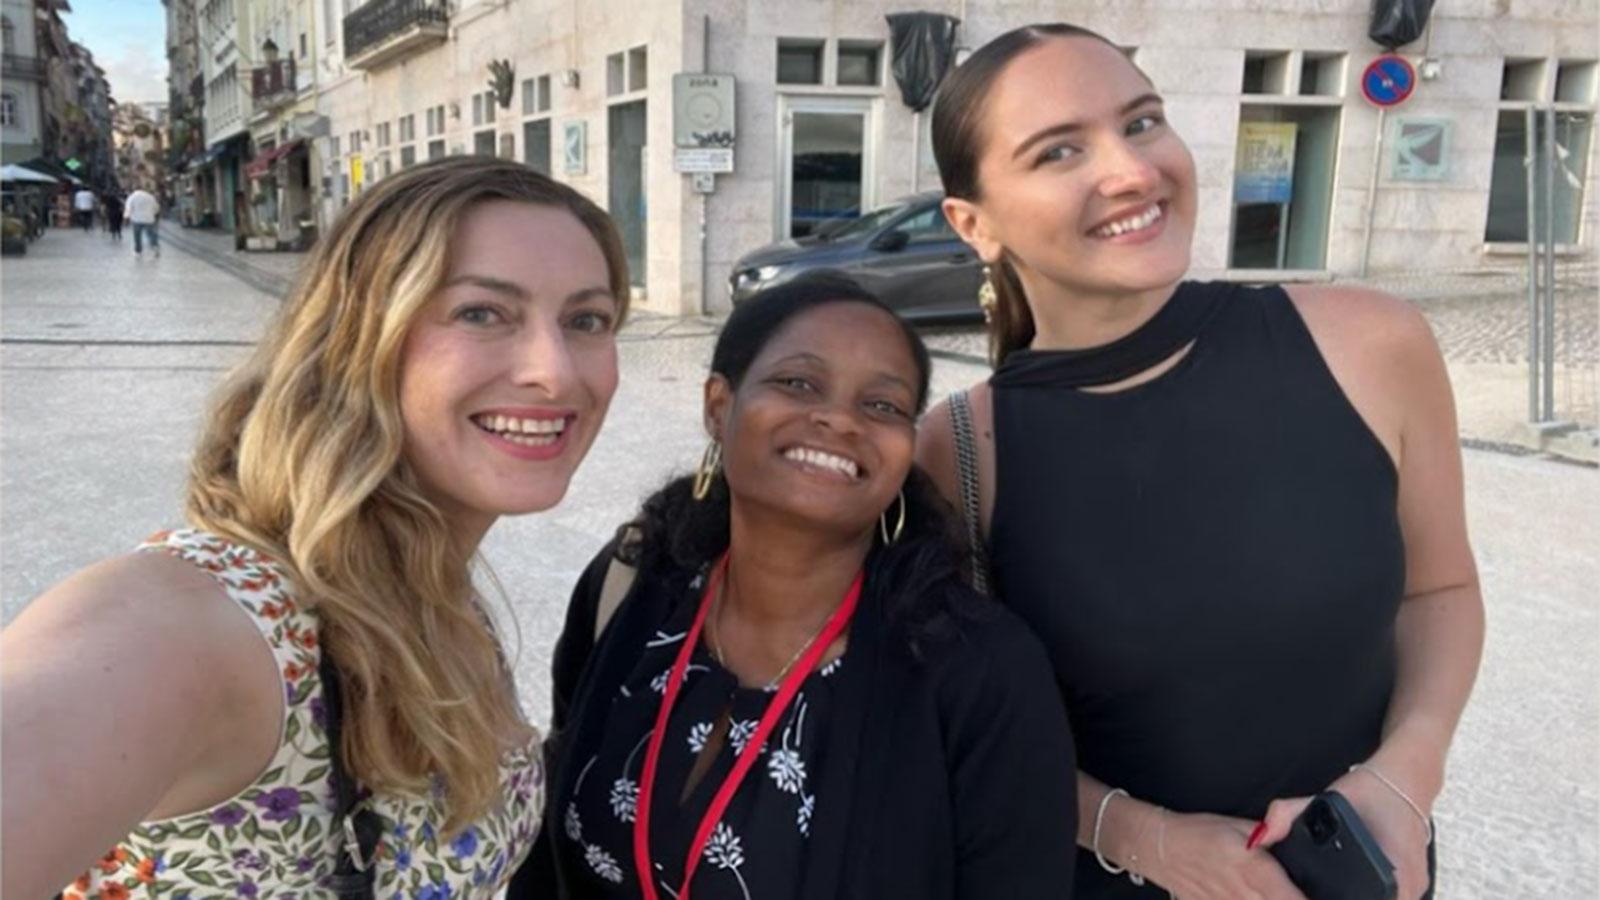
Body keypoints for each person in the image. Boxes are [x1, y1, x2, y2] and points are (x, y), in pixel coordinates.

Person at [917, 24, 1484, 900]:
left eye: (1142, 123)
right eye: (1059, 150)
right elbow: (958, 730)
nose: (1134, 171)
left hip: (1360, 874)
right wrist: (1149, 840)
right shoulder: (957, 453)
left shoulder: (1372, 345)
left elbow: (1439, 592)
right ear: (974, 223)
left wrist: (1405, 777)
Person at [1, 156, 632, 899]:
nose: (555, 372)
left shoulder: (429, 590)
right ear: (355, 339)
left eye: (586, 320)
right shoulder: (201, 626)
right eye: (481, 313)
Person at [510, 275, 1077, 900]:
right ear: (719, 407)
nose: (839, 418)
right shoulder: (628, 588)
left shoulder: (978, 671)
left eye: (883, 405)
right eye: (798, 383)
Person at [125, 185, 161, 257]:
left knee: (137, 236)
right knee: (151, 234)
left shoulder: (132, 197)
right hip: (149, 219)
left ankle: (138, 251)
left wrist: (126, 217)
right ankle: (155, 247)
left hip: (136, 219)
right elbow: (156, 207)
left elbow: (128, 208)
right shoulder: (150, 197)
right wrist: (153, 214)